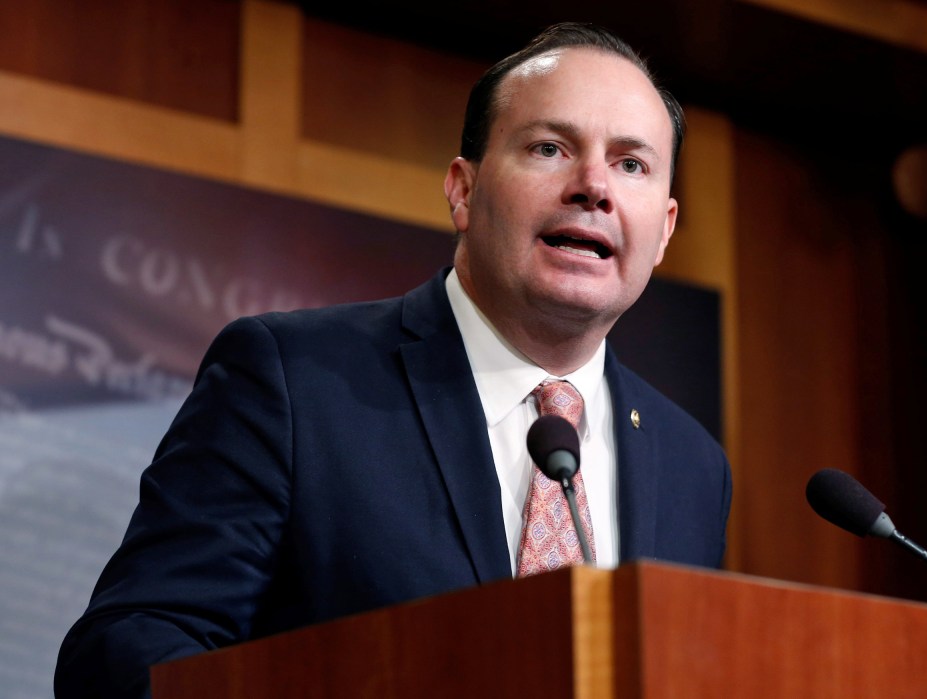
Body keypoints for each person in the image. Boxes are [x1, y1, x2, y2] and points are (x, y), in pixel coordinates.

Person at [55, 21, 731, 699]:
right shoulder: (294, 381)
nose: (594, 186)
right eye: (550, 148)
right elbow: (131, 645)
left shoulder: (693, 467)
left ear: (664, 230)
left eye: (631, 164)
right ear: (463, 191)